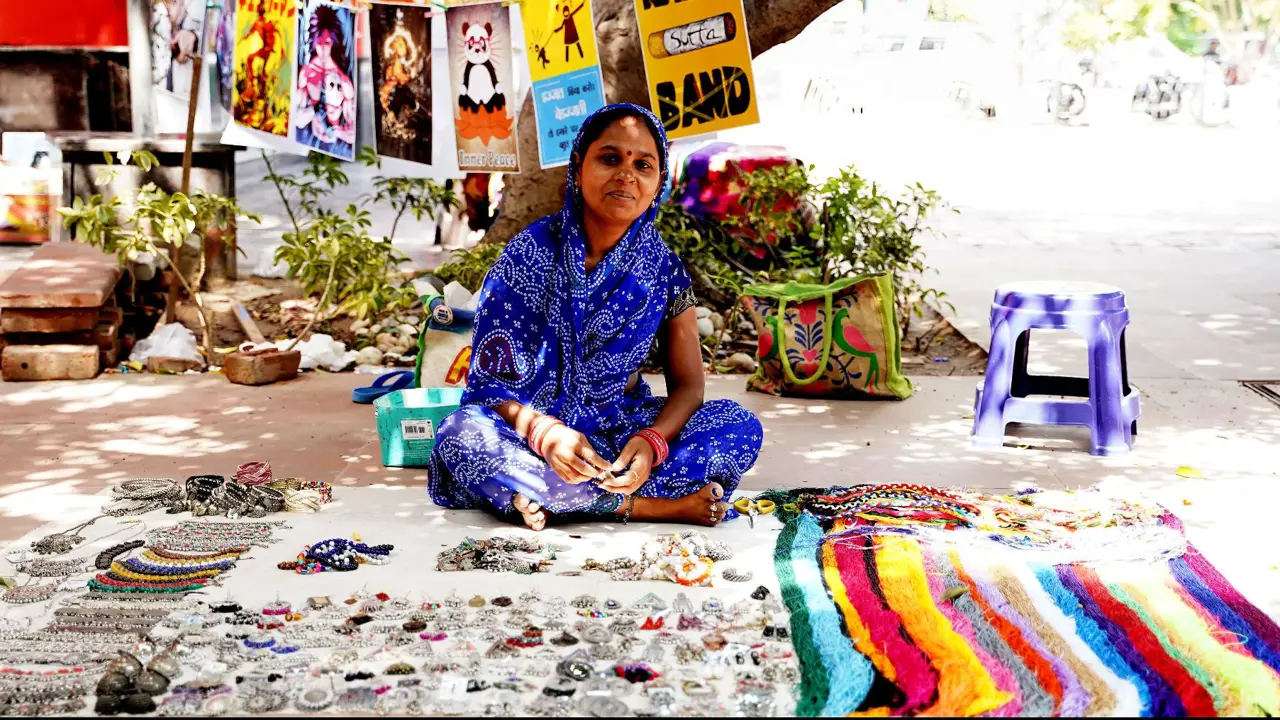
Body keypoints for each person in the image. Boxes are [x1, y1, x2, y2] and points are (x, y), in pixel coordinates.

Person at [428, 103, 763, 531]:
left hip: (619, 430)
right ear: (578, 167)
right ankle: (646, 506)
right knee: (464, 435)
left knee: (738, 425)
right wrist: (544, 433)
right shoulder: (527, 257)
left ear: (659, 182)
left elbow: (690, 387)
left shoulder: (663, 271)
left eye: (643, 164)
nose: (626, 174)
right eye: (610, 158)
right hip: (534, 436)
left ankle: (547, 498)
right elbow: (489, 388)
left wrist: (651, 442)